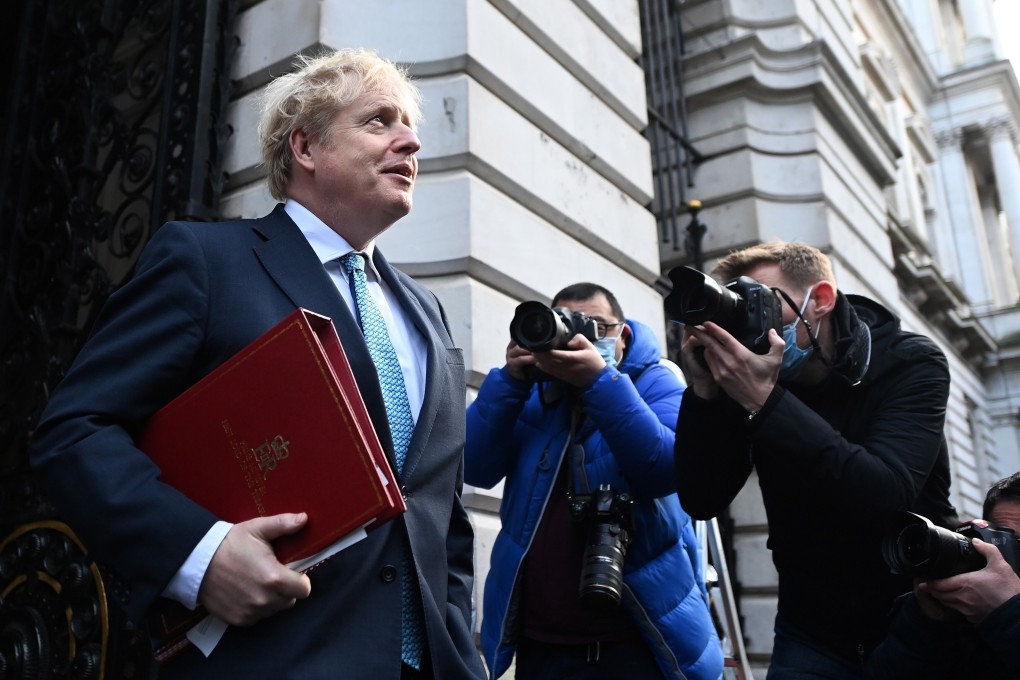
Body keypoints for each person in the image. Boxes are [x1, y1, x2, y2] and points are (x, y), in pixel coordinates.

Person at [29, 48, 485, 680]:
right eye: (379, 121)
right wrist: (200, 555)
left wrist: (464, 652)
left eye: (410, 127)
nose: (410, 141)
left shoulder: (426, 309)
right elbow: (73, 432)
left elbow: (444, 515)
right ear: (306, 147)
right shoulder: (206, 261)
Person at [673, 241, 959, 678]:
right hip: (811, 624)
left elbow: (885, 492)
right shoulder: (748, 377)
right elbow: (701, 497)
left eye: (762, 303)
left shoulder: (910, 361)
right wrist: (705, 394)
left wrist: (764, 400)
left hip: (918, 608)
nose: (747, 323)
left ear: (820, 301)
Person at [465, 282, 723, 680]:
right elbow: (474, 468)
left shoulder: (656, 382)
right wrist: (509, 383)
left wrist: (600, 382)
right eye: (568, 324)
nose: (583, 336)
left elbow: (664, 470)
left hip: (635, 639)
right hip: (541, 644)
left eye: (598, 326)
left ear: (624, 335)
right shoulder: (532, 392)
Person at [866, 471, 1020, 678]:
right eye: (1007, 539)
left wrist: (1006, 612)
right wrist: (927, 622)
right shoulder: (963, 609)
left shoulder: (1005, 613)